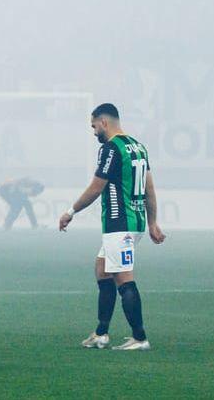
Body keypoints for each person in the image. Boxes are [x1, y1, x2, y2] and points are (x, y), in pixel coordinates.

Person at [59, 103, 165, 350]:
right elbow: (149, 188)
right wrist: (152, 223)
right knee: (102, 270)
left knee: (123, 278)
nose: (94, 131)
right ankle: (101, 333)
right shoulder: (138, 147)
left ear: (104, 122)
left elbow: (97, 187)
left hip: (120, 224)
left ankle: (140, 337)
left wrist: (70, 211)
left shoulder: (111, 149)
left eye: (94, 126)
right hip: (133, 222)